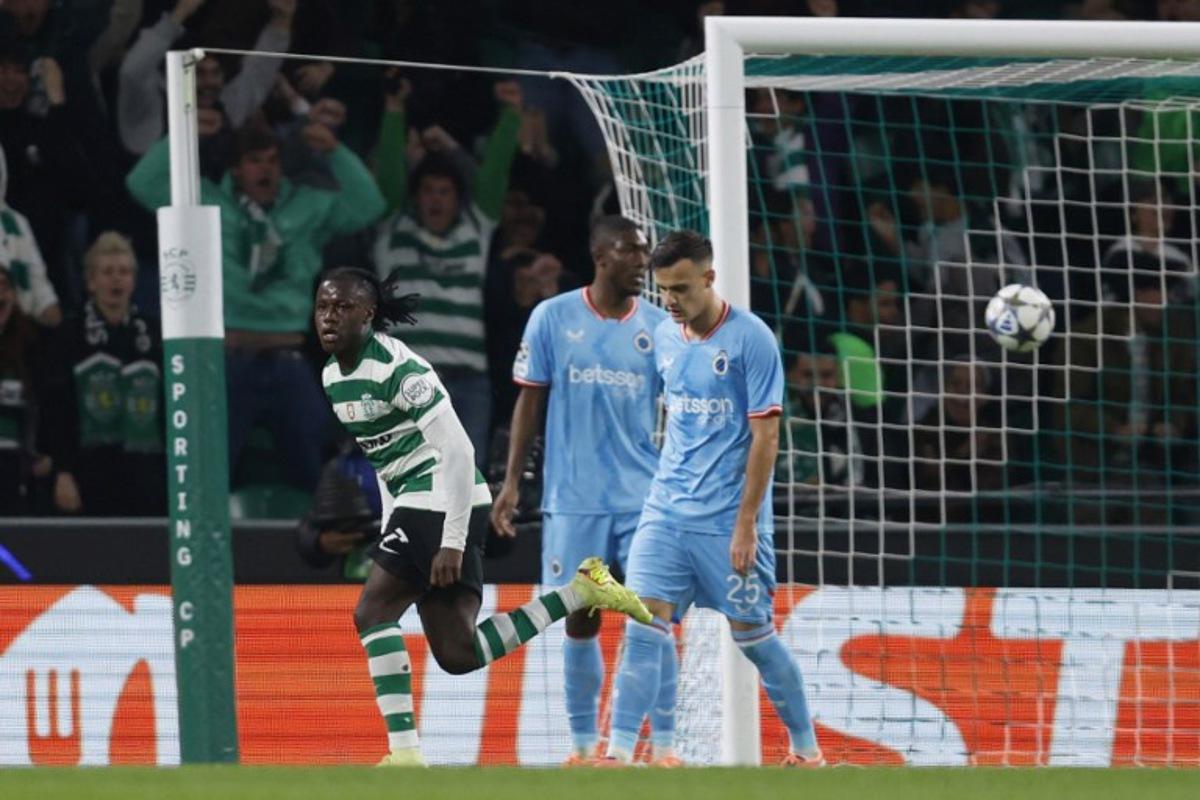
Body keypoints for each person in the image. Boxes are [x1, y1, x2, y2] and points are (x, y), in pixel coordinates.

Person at [312, 266, 651, 767]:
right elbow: (384, 461)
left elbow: (458, 450)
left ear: (368, 314)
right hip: (415, 502)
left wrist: (450, 539)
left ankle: (404, 755)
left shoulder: (400, 372)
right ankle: (583, 591)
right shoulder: (332, 377)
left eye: (342, 307)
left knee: (372, 613)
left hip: (444, 497)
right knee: (458, 653)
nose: (328, 317)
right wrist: (391, 525)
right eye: (322, 306)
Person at [600, 231, 822, 767]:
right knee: (644, 623)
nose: (671, 302)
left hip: (729, 524)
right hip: (667, 513)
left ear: (709, 277)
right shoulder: (668, 338)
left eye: (680, 289)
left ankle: (807, 751)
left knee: (756, 639)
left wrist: (746, 525)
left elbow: (766, 437)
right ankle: (617, 756)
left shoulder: (752, 341)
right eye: (663, 291)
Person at [490, 216, 679, 765]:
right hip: (574, 498)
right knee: (581, 616)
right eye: (632, 251)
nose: (642, 261)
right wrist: (509, 483)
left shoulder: (660, 327)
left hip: (644, 497)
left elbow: (685, 408)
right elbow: (530, 401)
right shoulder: (552, 318)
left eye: (646, 252)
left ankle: (664, 746)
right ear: (601, 255)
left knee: (653, 617)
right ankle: (581, 747)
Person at [127, 121, 386, 492]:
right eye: (254, 161)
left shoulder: (307, 204)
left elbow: (369, 205)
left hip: (289, 359)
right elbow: (142, 183)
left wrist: (335, 151)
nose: (265, 169)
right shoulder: (206, 203)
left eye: (272, 160)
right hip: (227, 359)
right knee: (210, 469)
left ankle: (320, 544)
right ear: (236, 168)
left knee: (317, 471)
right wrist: (183, 136)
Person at [372, 78, 523, 466]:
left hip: (467, 383)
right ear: (415, 195)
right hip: (405, 381)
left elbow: (495, 174)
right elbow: (387, 178)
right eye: (427, 191)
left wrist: (510, 115)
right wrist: (393, 113)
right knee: (406, 481)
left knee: (463, 486)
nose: (435, 199)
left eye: (444, 191)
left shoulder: (476, 230)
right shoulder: (393, 231)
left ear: (458, 198)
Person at [42, 232, 166, 516]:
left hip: (145, 472)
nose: (116, 279)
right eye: (107, 272)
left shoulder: (155, 334)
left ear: (134, 280)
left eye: (123, 272)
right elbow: (57, 407)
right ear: (91, 282)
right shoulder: (69, 335)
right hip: (89, 472)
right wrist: (63, 471)